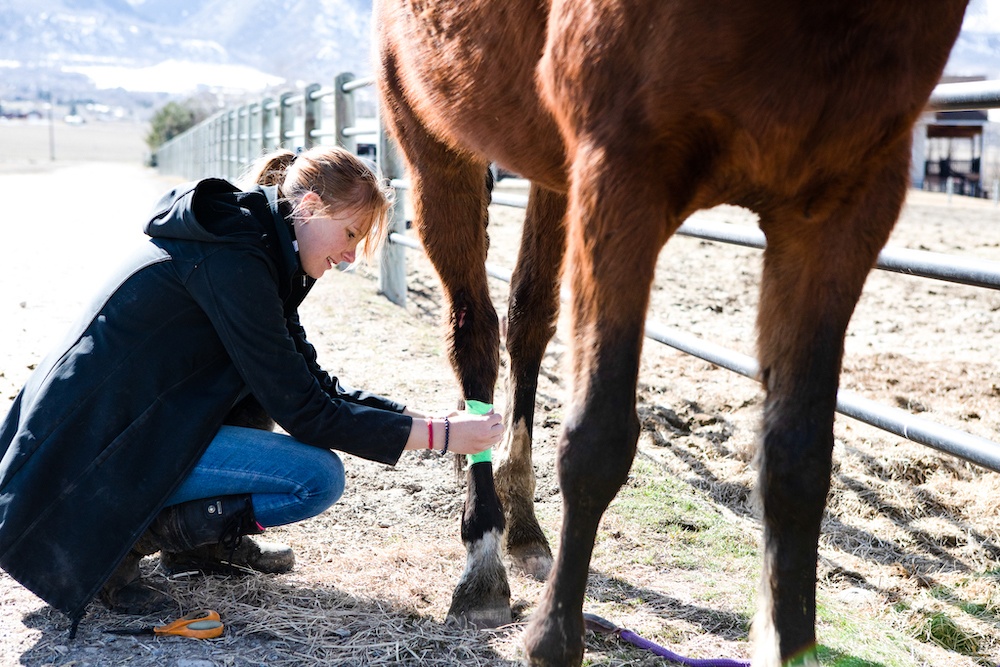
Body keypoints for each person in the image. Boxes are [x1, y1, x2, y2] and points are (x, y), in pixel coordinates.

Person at [0, 145, 503, 633]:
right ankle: (112, 545)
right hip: (89, 450)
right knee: (314, 477)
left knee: (254, 391)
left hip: (129, 427)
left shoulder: (257, 249)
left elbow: (307, 382)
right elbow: (305, 411)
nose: (349, 256)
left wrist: (422, 420)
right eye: (350, 234)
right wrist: (437, 437)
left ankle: (196, 547)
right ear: (308, 208)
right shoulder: (235, 260)